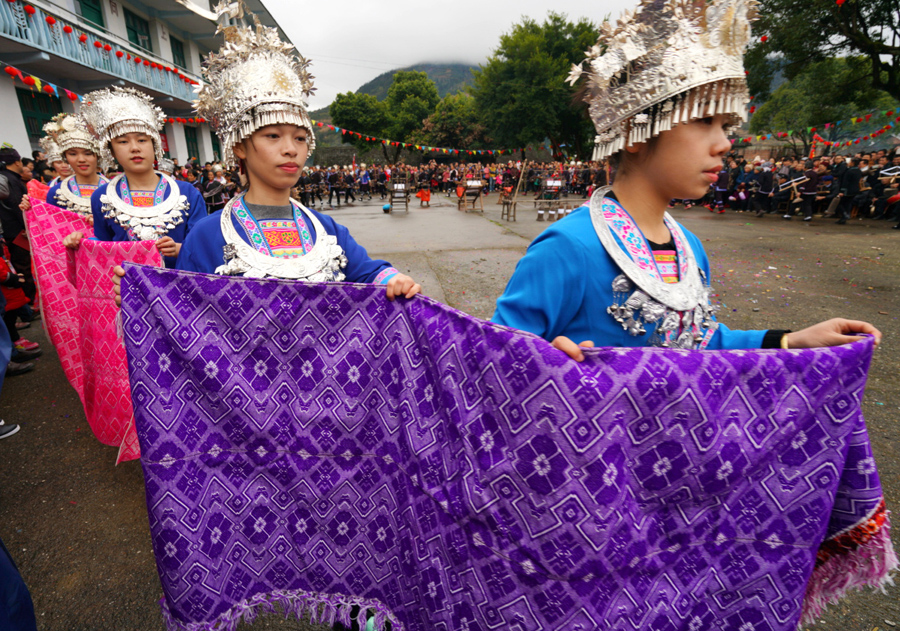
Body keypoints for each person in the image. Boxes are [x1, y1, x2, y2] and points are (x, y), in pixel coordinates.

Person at [493, 0, 879, 357]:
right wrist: (542, 362)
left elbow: (700, 344)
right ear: (635, 131)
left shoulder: (689, 246)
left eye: (727, 124)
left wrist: (791, 340)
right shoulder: (568, 248)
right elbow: (490, 357)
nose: (724, 143)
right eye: (703, 120)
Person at [112, 3, 418, 302]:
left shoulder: (326, 229)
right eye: (273, 136)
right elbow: (180, 313)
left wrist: (393, 280)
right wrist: (141, 298)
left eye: (300, 138)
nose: (290, 150)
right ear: (240, 146)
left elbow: (368, 272)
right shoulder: (206, 236)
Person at [61, 87, 206, 268]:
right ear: (111, 151)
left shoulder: (187, 193)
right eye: (123, 142)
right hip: (124, 289)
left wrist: (179, 249)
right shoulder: (101, 197)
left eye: (142, 140)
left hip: (180, 288)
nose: (134, 148)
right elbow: (103, 245)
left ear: (155, 146)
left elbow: (205, 246)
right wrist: (82, 241)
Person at [44, 113, 108, 218]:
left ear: (98, 156)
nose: (81, 160)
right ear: (65, 157)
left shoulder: (116, 190)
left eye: (87, 153)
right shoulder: (56, 193)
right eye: (73, 154)